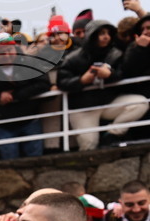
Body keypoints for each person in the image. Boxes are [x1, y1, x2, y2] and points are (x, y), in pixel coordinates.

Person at [58, 20, 149, 150]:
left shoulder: (116, 53)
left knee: (140, 103)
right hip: (83, 108)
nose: (106, 37)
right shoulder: (73, 58)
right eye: (101, 33)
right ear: (92, 35)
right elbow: (61, 81)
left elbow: (124, 72)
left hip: (108, 102)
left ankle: (112, 134)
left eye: (108, 33)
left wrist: (110, 74)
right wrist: (82, 80)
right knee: (89, 145)